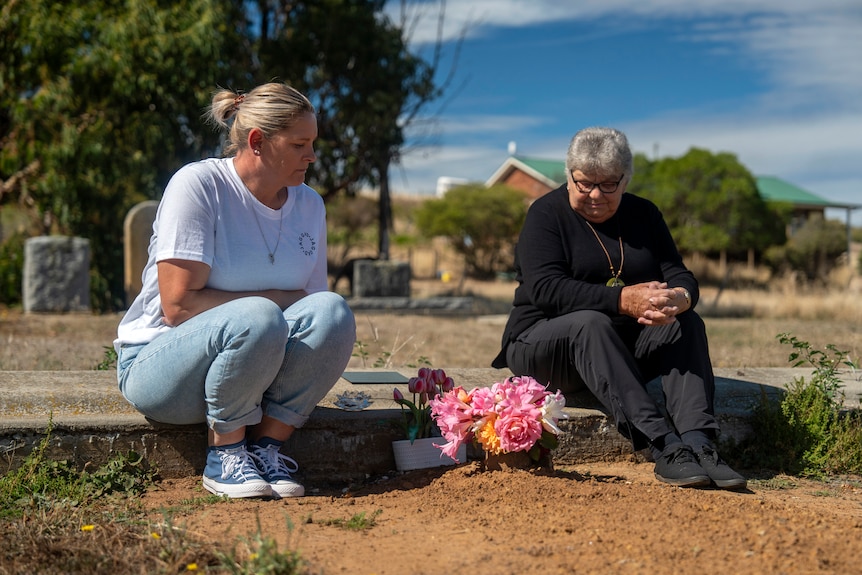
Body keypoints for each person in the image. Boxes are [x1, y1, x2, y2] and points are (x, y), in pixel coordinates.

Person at [114, 83, 356, 499]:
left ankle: (266, 446)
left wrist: (276, 309)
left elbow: (313, 307)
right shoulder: (200, 185)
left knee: (334, 312)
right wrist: (273, 302)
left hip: (254, 375)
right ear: (258, 141)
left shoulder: (310, 204)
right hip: (163, 369)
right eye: (300, 144)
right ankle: (224, 452)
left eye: (313, 143)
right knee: (258, 315)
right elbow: (179, 305)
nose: (312, 156)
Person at [492, 127, 746, 490]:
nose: (596, 194)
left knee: (685, 323)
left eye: (609, 184)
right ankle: (663, 445)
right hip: (544, 347)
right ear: (569, 177)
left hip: (616, 351)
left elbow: (678, 273)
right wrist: (622, 300)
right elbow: (546, 290)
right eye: (584, 184)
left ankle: (699, 443)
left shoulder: (645, 214)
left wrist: (680, 298)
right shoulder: (545, 214)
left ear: (625, 179)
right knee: (590, 323)